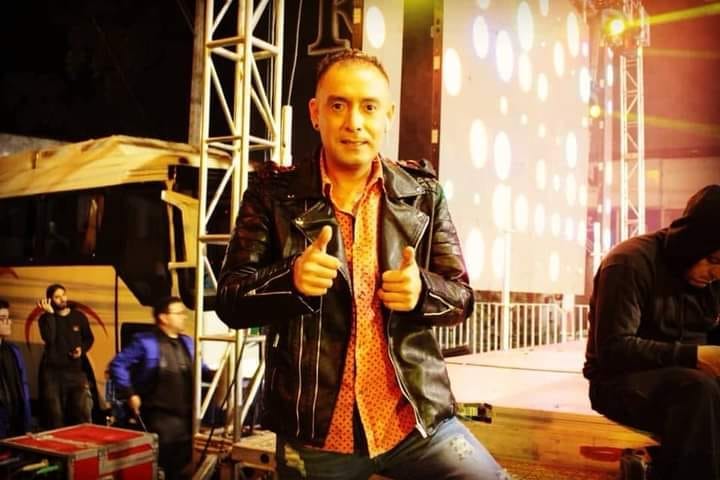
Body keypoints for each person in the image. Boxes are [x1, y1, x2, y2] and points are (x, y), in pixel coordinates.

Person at [216, 49, 506, 480]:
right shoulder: (271, 193)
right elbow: (229, 300)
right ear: (315, 113)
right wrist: (290, 279)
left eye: (369, 107)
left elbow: (462, 299)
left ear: (387, 115)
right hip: (317, 436)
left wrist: (422, 291)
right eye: (338, 105)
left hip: (414, 423)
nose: (354, 122)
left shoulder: (423, 193)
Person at [584, 184, 720, 479]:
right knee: (698, 391)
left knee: (700, 389)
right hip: (618, 380)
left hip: (689, 378)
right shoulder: (629, 262)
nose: (716, 273)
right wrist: (694, 356)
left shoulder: (712, 280)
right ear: (691, 243)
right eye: (713, 260)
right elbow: (613, 350)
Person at [109, 296, 194, 480]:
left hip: (186, 420)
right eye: (179, 313)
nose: (184, 317)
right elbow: (118, 365)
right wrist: (130, 393)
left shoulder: (187, 343)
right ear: (164, 317)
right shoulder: (145, 342)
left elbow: (201, 370)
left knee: (183, 468)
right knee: (162, 466)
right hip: (158, 418)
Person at [38, 283, 94, 428]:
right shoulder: (44, 319)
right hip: (52, 375)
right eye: (57, 297)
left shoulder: (79, 316)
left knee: (81, 414)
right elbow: (49, 338)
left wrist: (81, 350)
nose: (62, 299)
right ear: (49, 300)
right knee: (55, 416)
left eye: (63, 295)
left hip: (75, 373)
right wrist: (50, 314)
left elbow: (89, 338)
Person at [0, 299, 32, 438]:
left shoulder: (13, 351)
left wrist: (27, 425)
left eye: (8, 318)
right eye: (2, 319)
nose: (9, 322)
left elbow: (23, 388)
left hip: (14, 424)